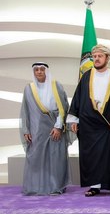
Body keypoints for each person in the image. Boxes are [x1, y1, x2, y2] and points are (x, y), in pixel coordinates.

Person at [67, 44, 110, 196]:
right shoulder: (86, 76)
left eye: (100, 56)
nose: (97, 59)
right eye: (95, 56)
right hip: (89, 125)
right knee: (91, 156)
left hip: (109, 124)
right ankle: (94, 186)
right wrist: (74, 119)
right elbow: (77, 99)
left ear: (107, 58)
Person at [20, 62, 71, 195]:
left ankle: (56, 187)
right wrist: (26, 130)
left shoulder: (56, 86)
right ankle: (36, 187)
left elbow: (63, 108)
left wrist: (58, 127)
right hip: (37, 130)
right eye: (36, 70)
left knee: (55, 158)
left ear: (46, 71)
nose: (39, 72)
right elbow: (25, 111)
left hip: (54, 126)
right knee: (36, 158)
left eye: (42, 69)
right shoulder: (28, 89)